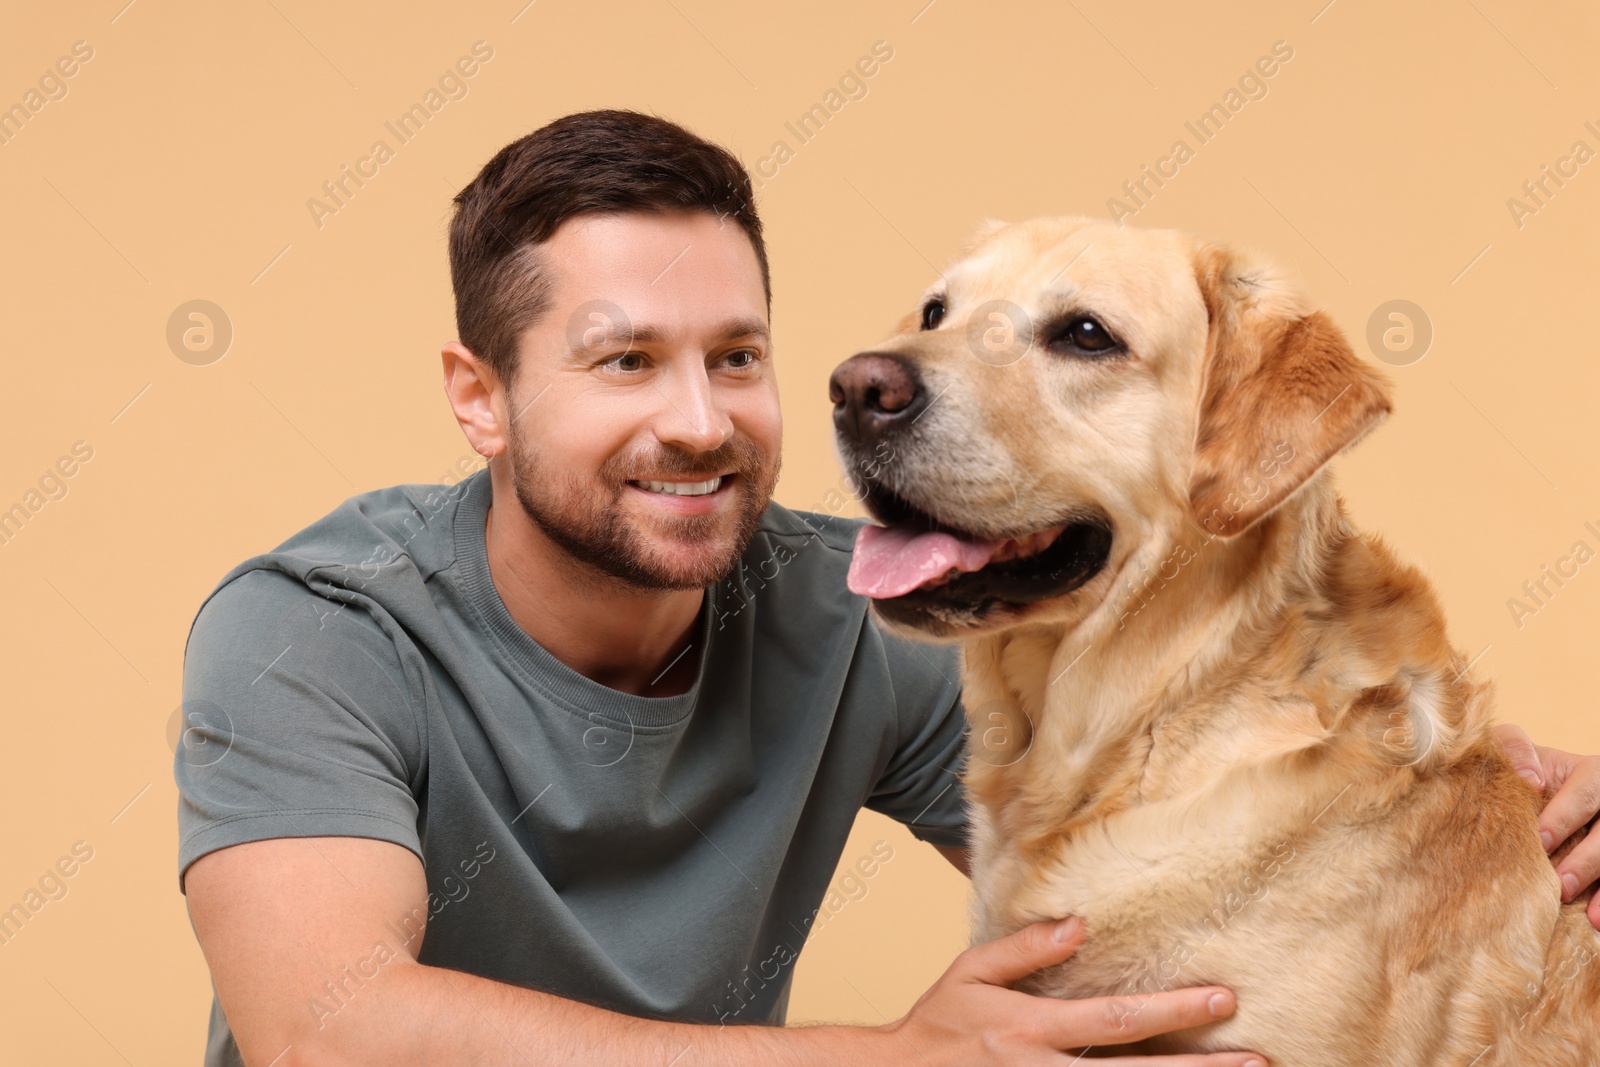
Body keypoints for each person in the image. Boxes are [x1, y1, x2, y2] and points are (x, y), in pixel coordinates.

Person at [175, 109, 1600, 1067]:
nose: (701, 419)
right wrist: (897, 1063)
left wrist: (1488, 820)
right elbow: (328, 1024)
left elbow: (1205, 794)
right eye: (625, 362)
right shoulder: (310, 628)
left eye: (736, 355)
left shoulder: (858, 615)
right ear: (479, 401)